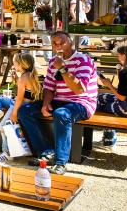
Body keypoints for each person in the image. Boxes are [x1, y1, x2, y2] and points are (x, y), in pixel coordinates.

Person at [18, 31, 97, 174]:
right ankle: (47, 152)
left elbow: (79, 89)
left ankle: (61, 163)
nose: (58, 46)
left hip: (82, 103)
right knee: (24, 111)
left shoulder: (83, 60)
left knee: (61, 114)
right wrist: (45, 104)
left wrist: (63, 69)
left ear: (71, 43)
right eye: (55, 43)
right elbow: (49, 87)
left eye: (62, 42)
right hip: (60, 101)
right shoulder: (53, 61)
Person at [0, 53, 43, 161]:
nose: (13, 64)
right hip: (24, 103)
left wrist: (14, 113)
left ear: (21, 64)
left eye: (14, 63)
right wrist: (16, 80)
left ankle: (7, 153)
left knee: (2, 127)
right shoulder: (30, 75)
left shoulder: (23, 78)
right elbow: (28, 94)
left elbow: (19, 98)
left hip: (18, 104)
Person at [96, 43, 127, 146]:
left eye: (118, 55)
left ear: (124, 56)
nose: (117, 57)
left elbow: (121, 97)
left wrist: (109, 85)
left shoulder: (126, 72)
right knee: (101, 97)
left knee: (99, 104)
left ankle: (109, 137)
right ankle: (109, 136)